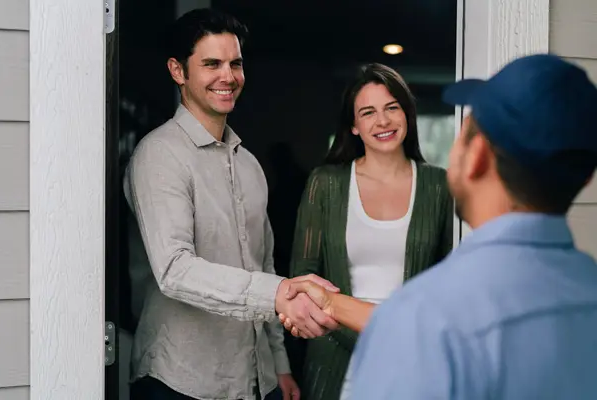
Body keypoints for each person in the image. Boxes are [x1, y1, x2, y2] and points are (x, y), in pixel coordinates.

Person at [285, 54, 597, 399]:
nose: (382, 120)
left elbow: (410, 327)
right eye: (368, 112)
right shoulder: (587, 290)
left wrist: (332, 305)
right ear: (587, 177)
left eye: (467, 131)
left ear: (475, 155)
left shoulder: (429, 313)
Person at [124, 9, 339, 400]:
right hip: (180, 381)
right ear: (178, 71)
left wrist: (281, 365)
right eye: (211, 64)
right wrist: (276, 294)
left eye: (235, 64)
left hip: (256, 380)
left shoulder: (250, 165)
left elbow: (265, 267)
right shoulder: (158, 155)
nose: (228, 76)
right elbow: (174, 269)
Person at [289, 63, 454, 400]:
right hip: (336, 367)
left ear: (407, 114)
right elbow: (302, 279)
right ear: (353, 126)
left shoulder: (439, 186)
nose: (383, 121)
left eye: (392, 108)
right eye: (368, 112)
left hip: (415, 364)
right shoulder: (325, 184)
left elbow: (452, 282)